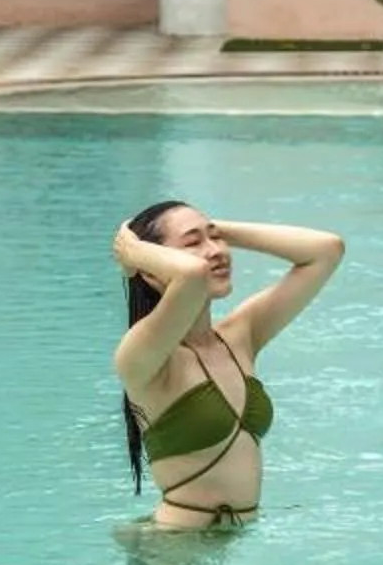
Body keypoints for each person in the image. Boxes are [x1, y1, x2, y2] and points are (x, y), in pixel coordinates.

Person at [112, 200, 345, 528]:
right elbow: (190, 277)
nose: (216, 251)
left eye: (215, 238)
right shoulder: (143, 357)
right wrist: (133, 255)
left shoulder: (241, 335)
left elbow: (326, 250)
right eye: (193, 242)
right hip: (172, 552)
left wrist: (220, 231)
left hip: (239, 544)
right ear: (151, 270)